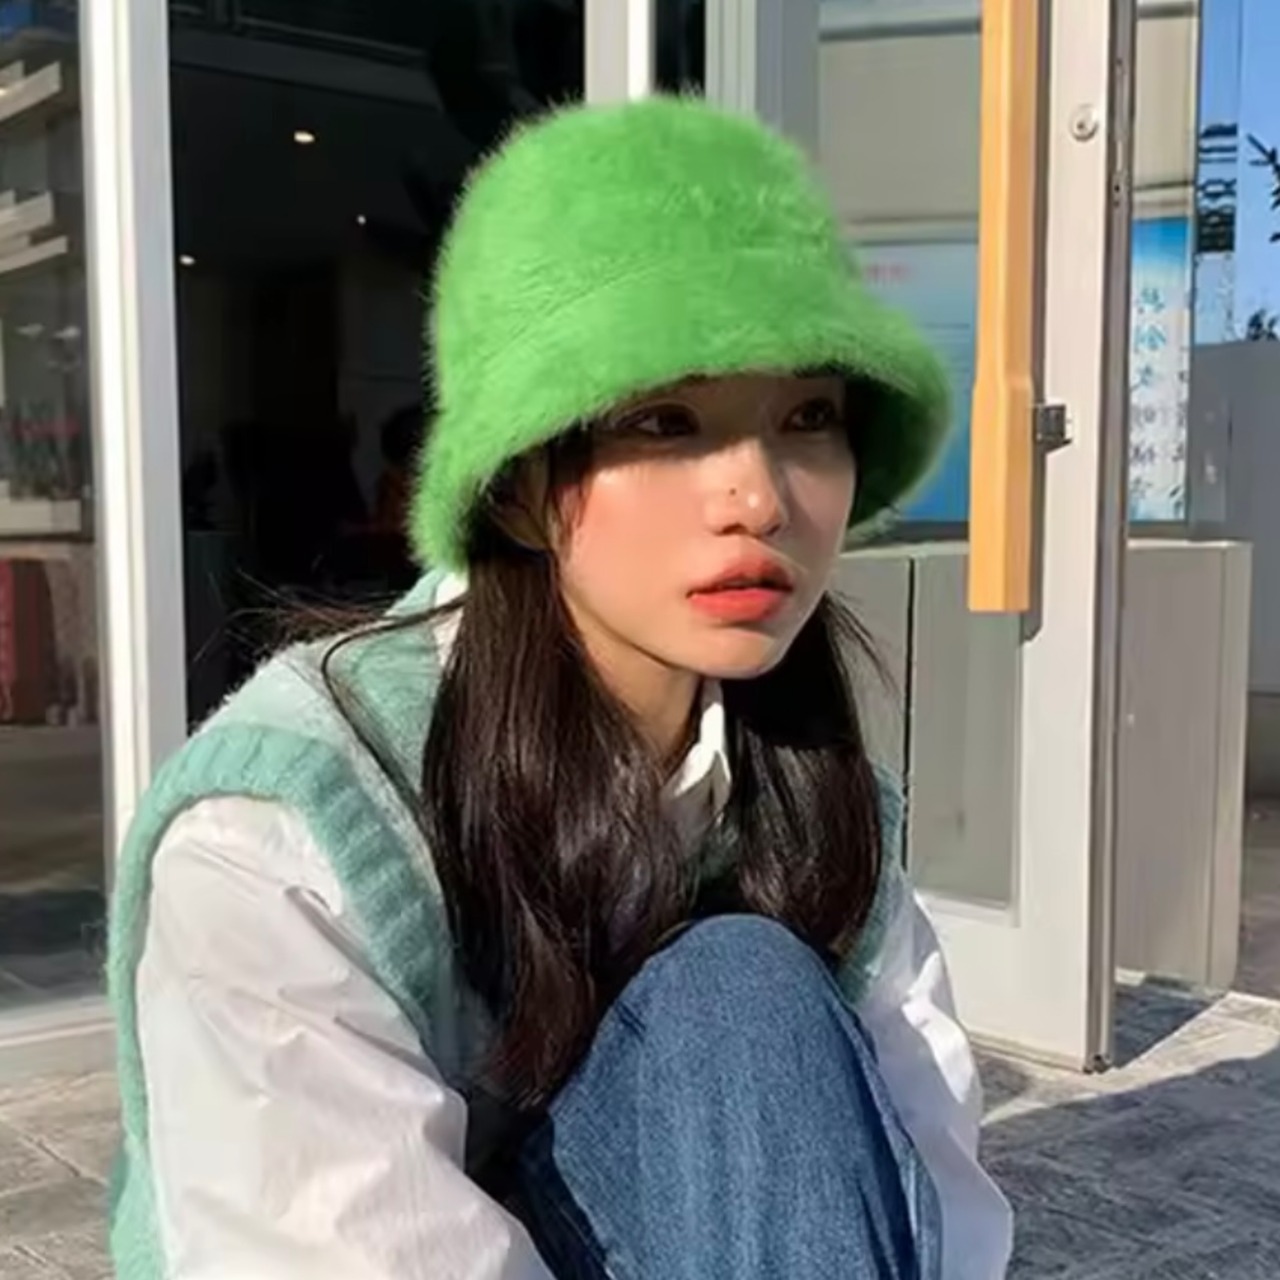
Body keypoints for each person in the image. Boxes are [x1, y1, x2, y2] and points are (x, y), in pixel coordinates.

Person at [106, 98, 1013, 1280]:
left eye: (806, 416)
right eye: (665, 419)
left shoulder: (814, 791)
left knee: (737, 1000)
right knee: (733, 1003)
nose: (758, 495)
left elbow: (933, 1190)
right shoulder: (291, 826)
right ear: (519, 488)